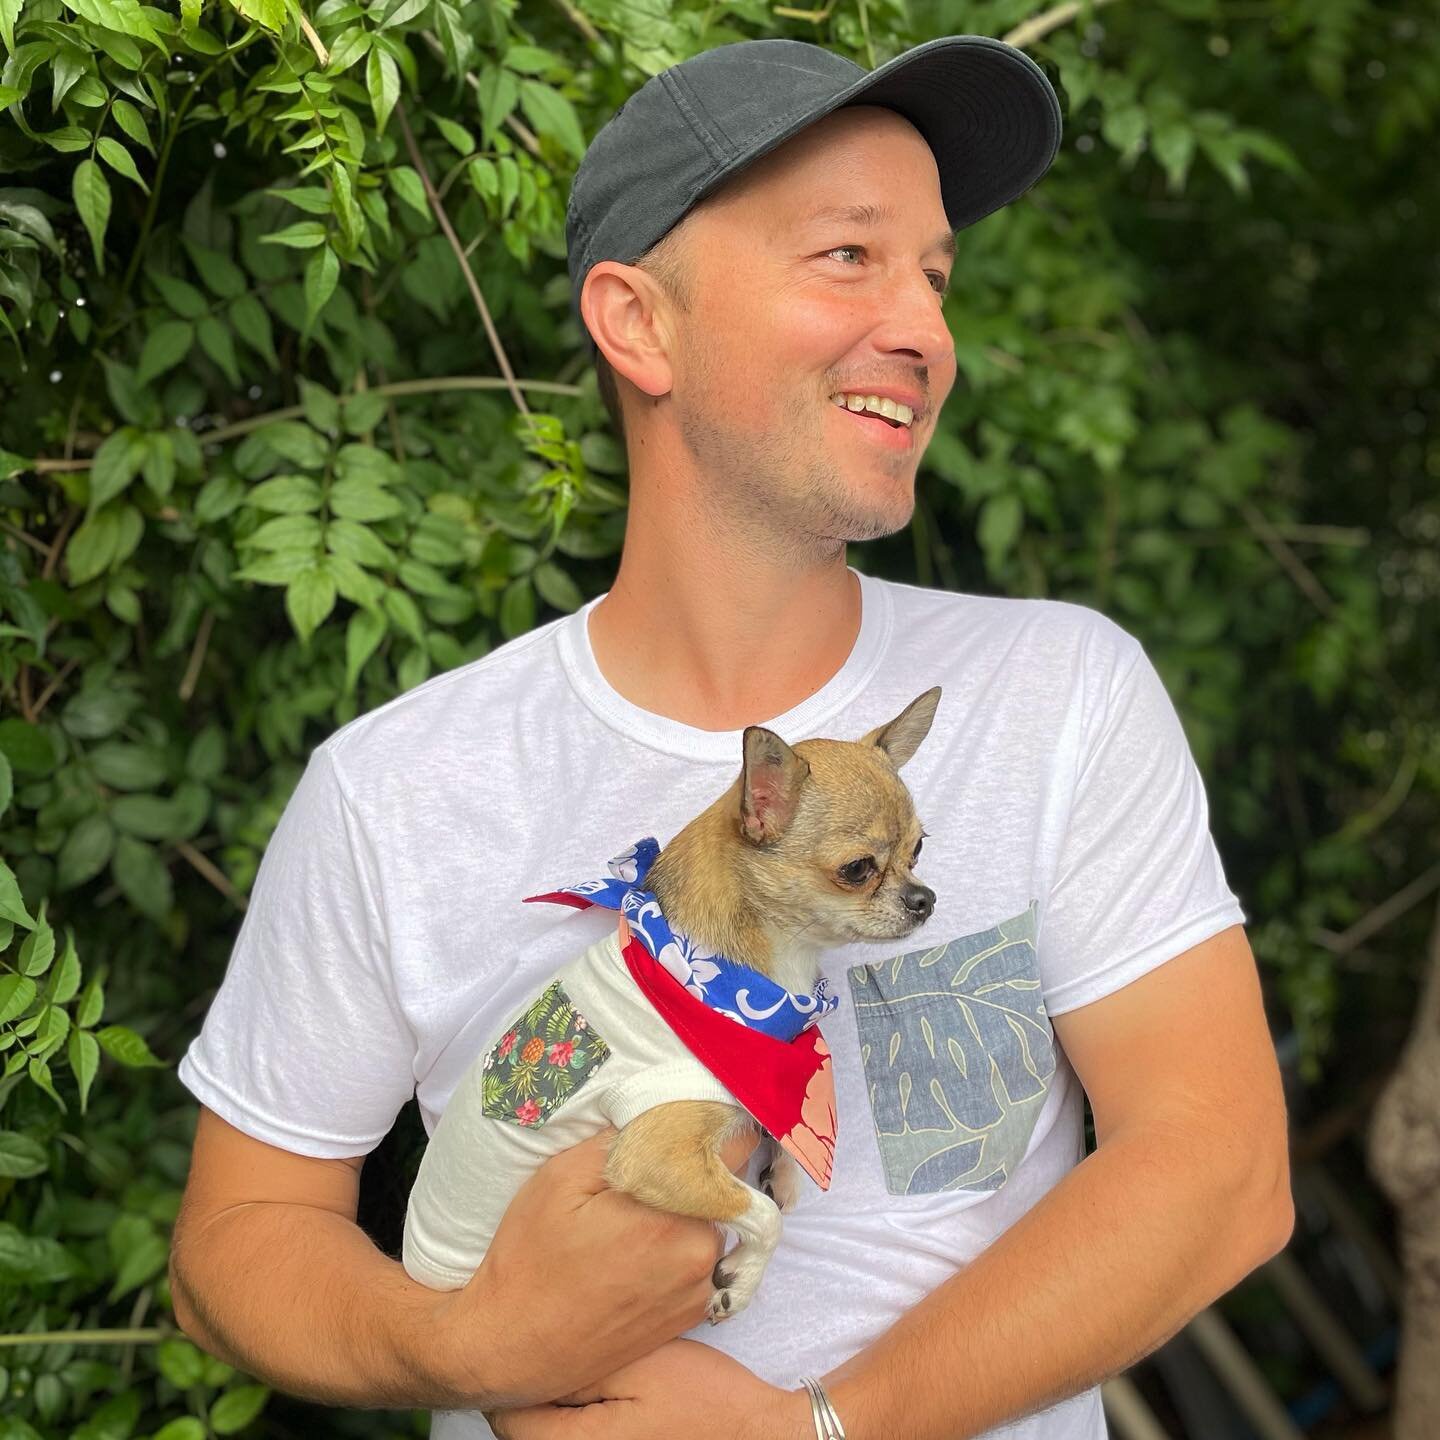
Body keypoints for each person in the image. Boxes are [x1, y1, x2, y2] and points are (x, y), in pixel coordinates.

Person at [168, 33, 1294, 1440]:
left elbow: (1220, 1164)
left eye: (936, 276)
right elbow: (236, 1245)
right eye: (848, 257)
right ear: (640, 323)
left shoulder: (1059, 690)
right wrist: (461, 1346)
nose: (927, 328)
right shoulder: (396, 789)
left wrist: (819, 1426)